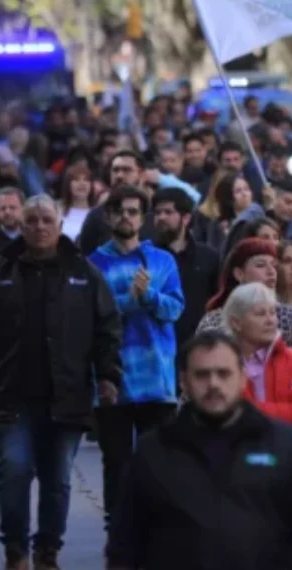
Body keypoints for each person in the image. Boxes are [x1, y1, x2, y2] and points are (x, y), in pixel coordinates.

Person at [105, 331, 292, 570]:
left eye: (223, 373)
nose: (213, 384)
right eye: (202, 375)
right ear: (184, 381)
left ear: (242, 378)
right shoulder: (154, 450)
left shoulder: (281, 443)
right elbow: (125, 539)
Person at [0, 195, 122, 570]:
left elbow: (107, 329)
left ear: (60, 225)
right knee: (13, 471)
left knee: (57, 479)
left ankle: (48, 551)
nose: (40, 227)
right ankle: (16, 550)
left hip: (68, 396)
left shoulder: (84, 273)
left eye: (47, 220)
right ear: (22, 225)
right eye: (32, 220)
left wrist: (109, 376)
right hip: (12, 396)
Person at [88, 185, 186, 533]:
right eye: (121, 211)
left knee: (157, 459)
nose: (127, 217)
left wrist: (150, 296)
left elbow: (175, 309)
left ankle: (156, 528)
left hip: (157, 379)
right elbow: (93, 318)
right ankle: (118, 530)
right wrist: (131, 299)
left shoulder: (163, 261)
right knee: (116, 461)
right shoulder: (94, 264)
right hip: (113, 377)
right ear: (109, 216)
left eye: (133, 211)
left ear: (142, 218)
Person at [197, 238, 292, 389]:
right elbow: (199, 372)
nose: (271, 272)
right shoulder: (215, 320)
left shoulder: (290, 317)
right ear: (239, 274)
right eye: (261, 265)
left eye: (274, 265)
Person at [223, 282, 292, 438]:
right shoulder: (223, 365)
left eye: (272, 312)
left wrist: (254, 412)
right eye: (261, 314)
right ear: (236, 323)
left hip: (287, 457)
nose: (270, 320)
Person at [151, 187, 221, 347]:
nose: (161, 217)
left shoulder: (208, 257)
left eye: (168, 212)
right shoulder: (146, 257)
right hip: (158, 347)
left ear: (186, 218)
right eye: (157, 212)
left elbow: (218, 303)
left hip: (200, 345)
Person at [78, 150, 154, 255]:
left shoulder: (157, 214)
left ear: (142, 175)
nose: (119, 175)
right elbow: (85, 257)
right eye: (115, 170)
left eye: (126, 170)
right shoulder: (96, 216)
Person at [57, 162, 95, 242]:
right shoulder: (57, 211)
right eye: (76, 179)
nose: (82, 184)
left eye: (86, 180)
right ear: (68, 185)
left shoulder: (97, 214)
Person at [0, 186, 25, 261]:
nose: (7, 212)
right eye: (3, 208)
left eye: (12, 208)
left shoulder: (32, 236)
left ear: (23, 208)